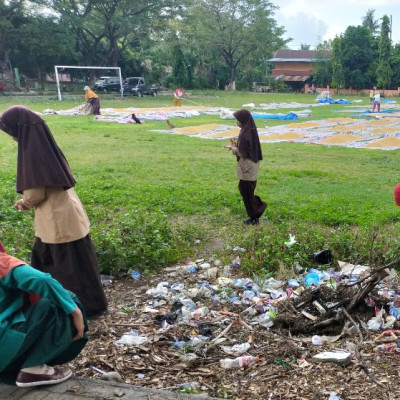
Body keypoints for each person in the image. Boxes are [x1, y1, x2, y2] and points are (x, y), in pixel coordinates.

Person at [0, 105, 108, 318]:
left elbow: (35, 193)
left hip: (57, 219)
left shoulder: (31, 151)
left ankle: (72, 308)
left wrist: (23, 203)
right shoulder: (44, 142)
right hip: (69, 212)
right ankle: (93, 305)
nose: (11, 135)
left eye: (10, 130)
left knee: (63, 267)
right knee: (80, 263)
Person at [0, 240, 87, 387]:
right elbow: (42, 280)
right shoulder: (3, 264)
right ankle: (33, 367)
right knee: (62, 299)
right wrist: (75, 312)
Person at [225, 109, 267, 225]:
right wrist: (235, 145)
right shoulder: (250, 130)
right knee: (246, 190)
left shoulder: (244, 133)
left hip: (248, 168)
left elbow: (242, 153)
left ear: (242, 120)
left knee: (247, 191)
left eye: (237, 120)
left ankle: (256, 212)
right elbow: (247, 148)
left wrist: (233, 148)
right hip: (251, 166)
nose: (236, 122)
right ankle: (255, 214)